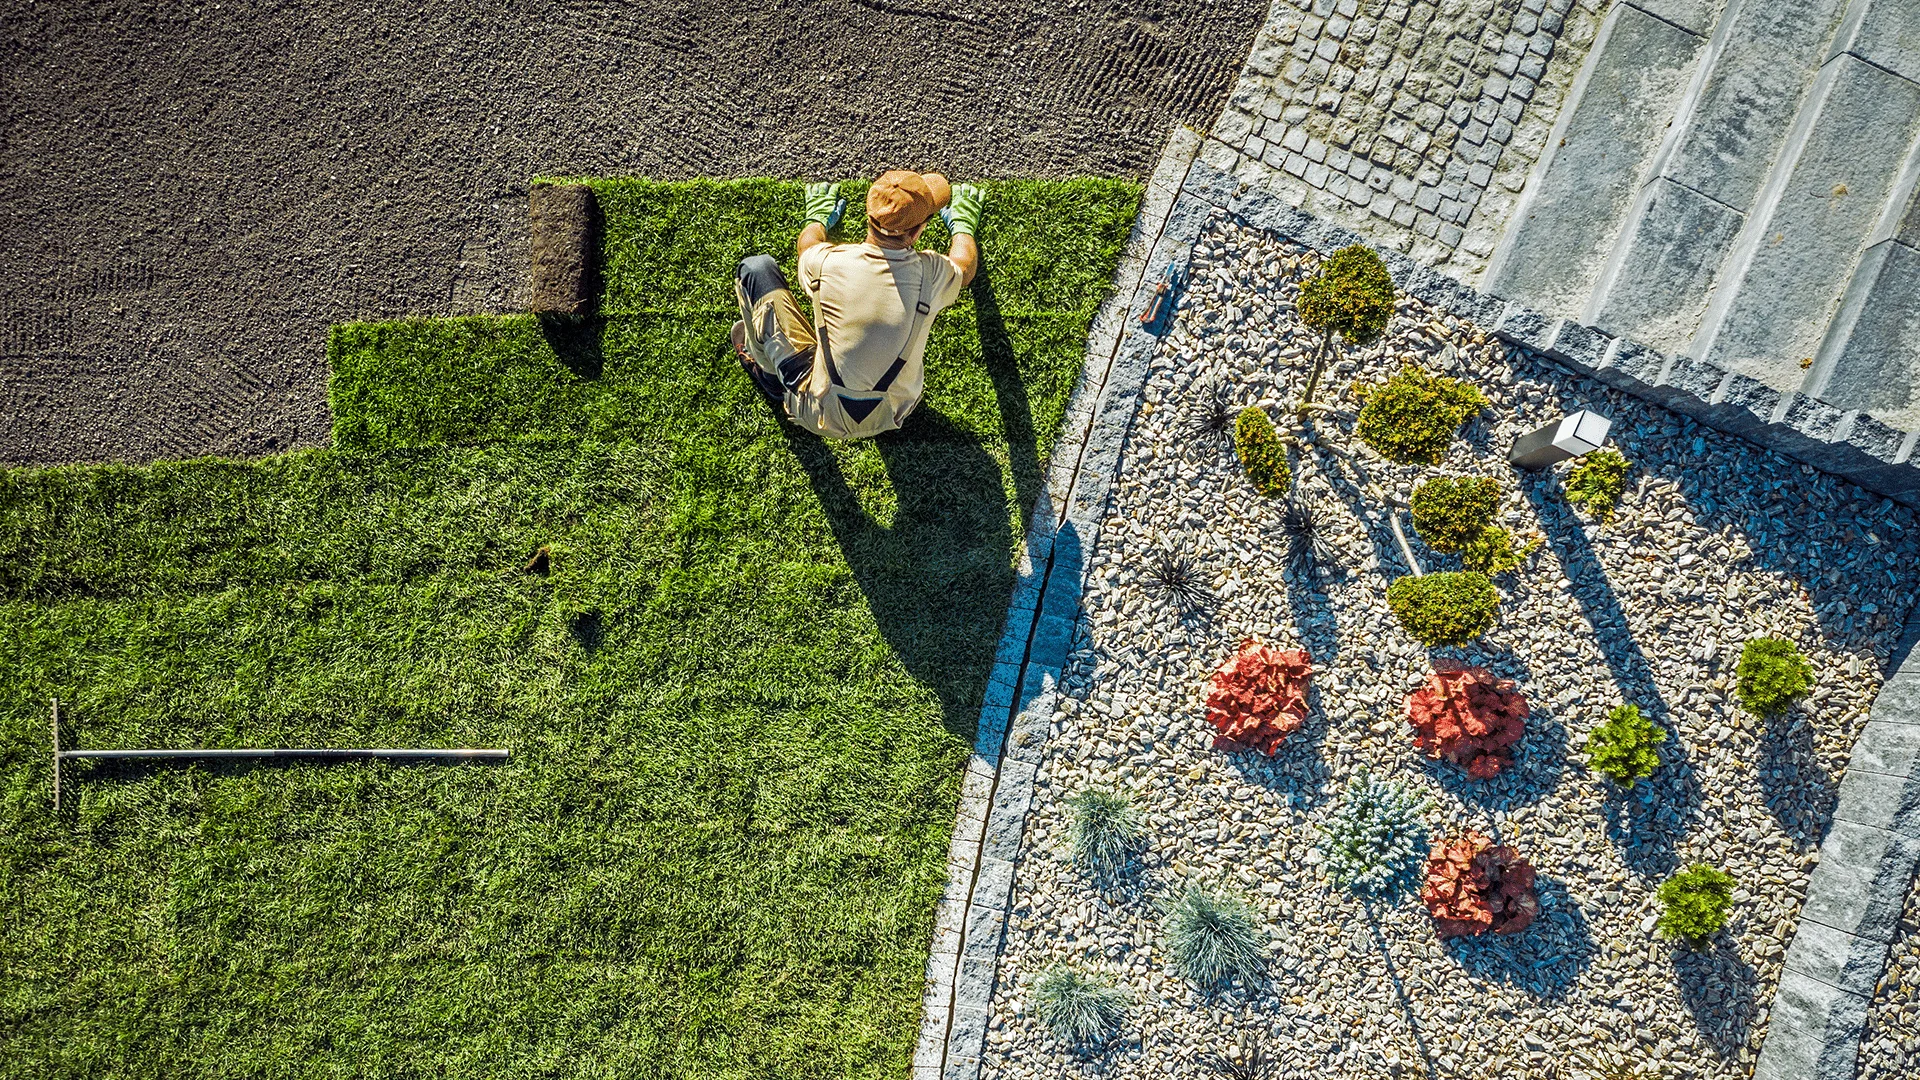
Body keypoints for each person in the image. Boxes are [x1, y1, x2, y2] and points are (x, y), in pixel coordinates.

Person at [732, 171, 984, 439]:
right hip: (894, 411)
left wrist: (817, 219)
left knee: (756, 269)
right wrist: (963, 227)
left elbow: (808, 245)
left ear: (869, 215)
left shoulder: (825, 262)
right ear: (917, 230)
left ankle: (771, 378)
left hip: (817, 413)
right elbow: (965, 266)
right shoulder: (932, 275)